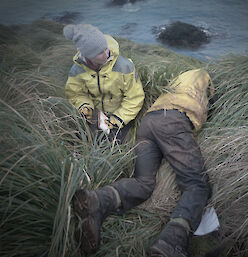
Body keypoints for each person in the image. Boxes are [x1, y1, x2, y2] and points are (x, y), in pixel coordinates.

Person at [72, 69, 214, 256]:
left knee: (143, 183)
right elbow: (209, 105)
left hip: (148, 124)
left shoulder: (174, 84)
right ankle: (172, 243)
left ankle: (98, 200)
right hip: (174, 120)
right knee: (197, 185)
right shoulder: (205, 77)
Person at [63, 24, 145, 143]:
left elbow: (135, 98)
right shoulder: (77, 71)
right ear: (88, 56)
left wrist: (116, 119)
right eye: (100, 53)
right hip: (94, 116)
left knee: (113, 145)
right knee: (79, 141)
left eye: (105, 48)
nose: (106, 54)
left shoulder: (124, 67)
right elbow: (75, 94)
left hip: (121, 116)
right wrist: (85, 106)